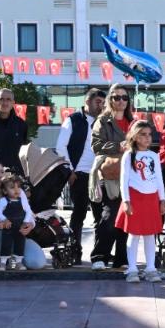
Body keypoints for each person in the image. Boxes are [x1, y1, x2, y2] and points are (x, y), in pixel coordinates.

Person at [56, 88, 105, 263]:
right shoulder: (73, 120)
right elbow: (61, 146)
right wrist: (69, 171)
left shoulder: (104, 121)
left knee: (101, 216)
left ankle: (100, 254)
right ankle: (75, 251)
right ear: (87, 101)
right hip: (79, 174)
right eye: (97, 102)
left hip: (99, 175)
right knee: (79, 214)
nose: (101, 106)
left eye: (102, 103)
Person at [115, 120, 165, 282]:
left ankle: (151, 268)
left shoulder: (154, 155)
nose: (147, 138)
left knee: (150, 234)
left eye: (149, 135)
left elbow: (159, 179)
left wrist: (162, 199)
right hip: (134, 197)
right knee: (134, 234)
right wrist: (126, 200)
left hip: (152, 198)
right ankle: (132, 269)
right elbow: (124, 180)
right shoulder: (128, 155)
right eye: (143, 135)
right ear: (135, 136)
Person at [89, 83, 133, 269]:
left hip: (130, 174)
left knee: (127, 216)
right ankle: (99, 256)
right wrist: (118, 146)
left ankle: (121, 259)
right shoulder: (103, 120)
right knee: (109, 215)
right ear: (110, 100)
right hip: (110, 173)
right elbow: (96, 146)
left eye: (124, 97)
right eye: (116, 97)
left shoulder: (133, 121)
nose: (121, 101)